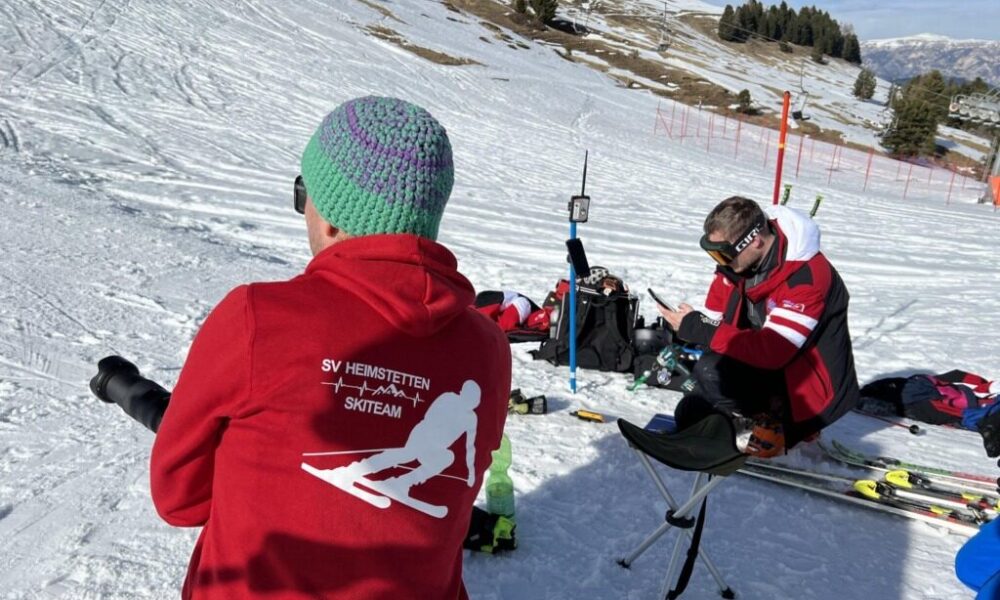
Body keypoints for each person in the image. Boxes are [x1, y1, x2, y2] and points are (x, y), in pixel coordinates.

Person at [148, 96, 512, 599]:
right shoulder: (489, 349)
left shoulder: (256, 319)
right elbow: (461, 477)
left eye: (305, 193)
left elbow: (179, 499)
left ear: (332, 219)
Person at [658, 196, 858, 456]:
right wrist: (691, 326)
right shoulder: (741, 260)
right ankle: (742, 414)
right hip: (760, 360)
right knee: (690, 411)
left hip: (802, 384)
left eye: (723, 253)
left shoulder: (807, 280)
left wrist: (701, 328)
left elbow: (773, 350)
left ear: (755, 241)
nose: (720, 261)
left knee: (710, 371)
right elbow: (717, 311)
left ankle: (779, 420)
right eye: (714, 254)